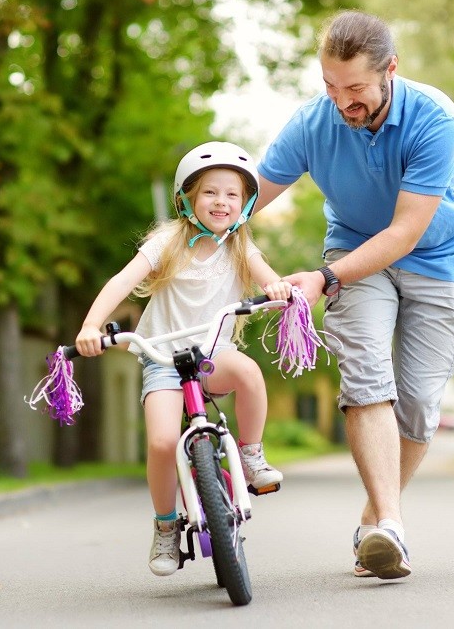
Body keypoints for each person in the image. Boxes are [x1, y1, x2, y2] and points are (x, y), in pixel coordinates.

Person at [255, 10, 454, 580]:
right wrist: (192, 226)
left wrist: (323, 281)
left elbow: (406, 231)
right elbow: (247, 196)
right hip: (354, 256)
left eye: (355, 88)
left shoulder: (434, 117)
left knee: (421, 402)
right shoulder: (313, 122)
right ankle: (390, 529)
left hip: (436, 257)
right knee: (366, 377)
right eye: (330, 86)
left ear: (390, 71)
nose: (341, 102)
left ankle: (376, 520)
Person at [74, 141, 292, 577]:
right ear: (188, 198)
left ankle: (250, 454)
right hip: (163, 360)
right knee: (159, 443)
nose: (221, 202)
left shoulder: (239, 246)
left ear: (245, 203)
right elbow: (121, 282)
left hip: (214, 355)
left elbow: (271, 281)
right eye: (211, 192)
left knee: (248, 372)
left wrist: (279, 290)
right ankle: (166, 525)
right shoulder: (167, 242)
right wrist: (90, 326)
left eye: (232, 194)